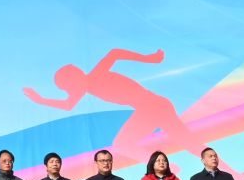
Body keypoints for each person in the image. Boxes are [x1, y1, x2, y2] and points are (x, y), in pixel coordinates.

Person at [25, 47, 197, 159]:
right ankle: (162, 167)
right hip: (150, 109)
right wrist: (40, 100)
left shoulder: (96, 75)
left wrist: (149, 58)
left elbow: (115, 53)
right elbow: (69, 104)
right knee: (124, 144)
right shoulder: (87, 87)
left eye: (67, 87)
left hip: (154, 107)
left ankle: (163, 167)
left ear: (75, 78)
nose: (70, 92)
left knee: (189, 143)